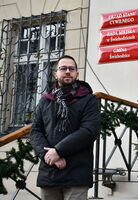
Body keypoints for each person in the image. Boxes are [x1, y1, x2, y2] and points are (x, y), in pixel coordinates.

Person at [29, 55, 100, 200]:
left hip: (76, 174)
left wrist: (59, 151)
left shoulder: (89, 99)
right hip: (50, 172)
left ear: (77, 74)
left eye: (71, 68)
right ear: (56, 74)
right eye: (63, 68)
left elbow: (89, 131)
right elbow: (35, 131)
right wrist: (50, 157)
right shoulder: (45, 100)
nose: (67, 71)